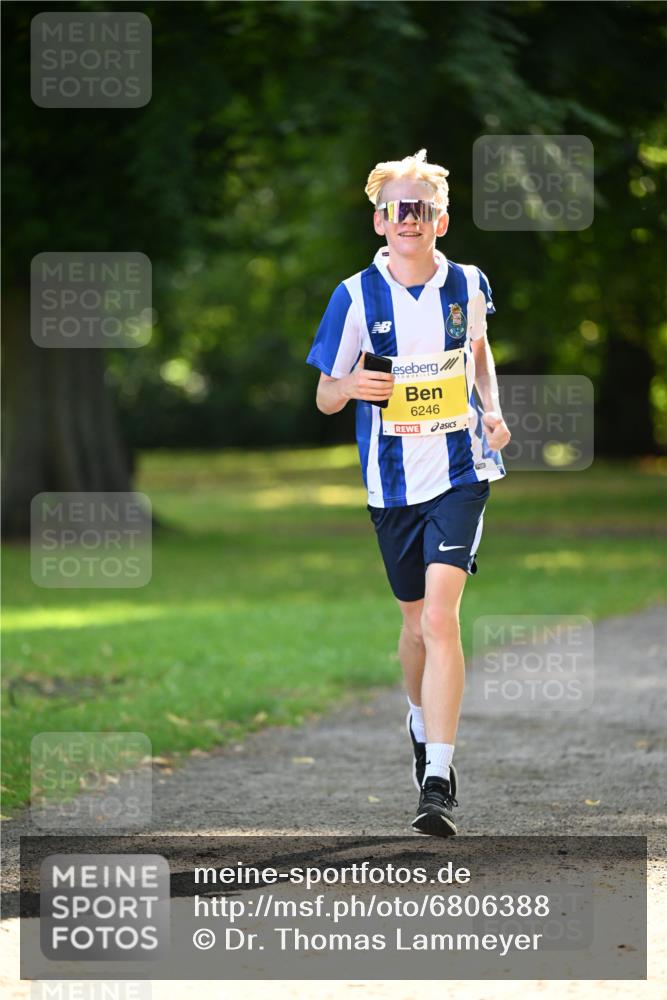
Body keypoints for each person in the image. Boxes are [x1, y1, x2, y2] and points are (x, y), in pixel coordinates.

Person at [305, 150, 511, 837]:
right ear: (379, 221)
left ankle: (437, 781)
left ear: (440, 221)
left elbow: (478, 352)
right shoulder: (355, 296)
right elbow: (324, 395)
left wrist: (491, 409)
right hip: (390, 487)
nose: (409, 220)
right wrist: (349, 386)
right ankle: (420, 723)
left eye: (421, 209)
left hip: (461, 474)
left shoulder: (469, 283)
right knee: (414, 622)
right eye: (396, 209)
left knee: (441, 618)